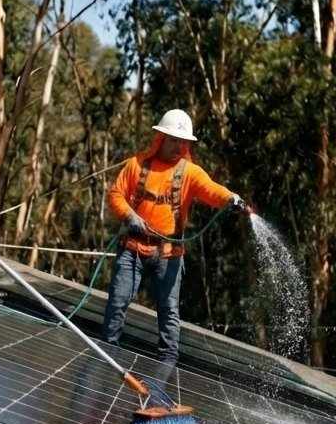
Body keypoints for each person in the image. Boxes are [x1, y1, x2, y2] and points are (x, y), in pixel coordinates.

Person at [103, 109, 246, 365]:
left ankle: (168, 364)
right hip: (133, 248)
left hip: (168, 255)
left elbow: (212, 190)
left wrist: (230, 198)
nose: (178, 146)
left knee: (169, 311)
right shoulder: (136, 164)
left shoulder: (190, 173)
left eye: (183, 142)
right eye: (173, 140)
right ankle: (107, 352)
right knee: (118, 301)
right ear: (160, 138)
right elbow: (116, 194)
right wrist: (130, 216)